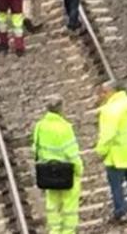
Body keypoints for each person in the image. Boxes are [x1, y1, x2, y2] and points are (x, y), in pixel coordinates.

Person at [96, 80, 127, 223]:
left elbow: (108, 134)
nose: (102, 95)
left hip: (116, 154)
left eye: (104, 92)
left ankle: (121, 211)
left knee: (116, 185)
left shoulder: (109, 109)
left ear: (112, 92)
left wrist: (100, 150)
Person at [33, 95, 82, 234]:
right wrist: (79, 169)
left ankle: (54, 231)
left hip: (48, 171)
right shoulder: (64, 127)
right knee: (69, 206)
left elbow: (35, 149)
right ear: (61, 109)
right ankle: (68, 231)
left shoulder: (40, 126)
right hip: (66, 172)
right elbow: (71, 153)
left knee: (52, 204)